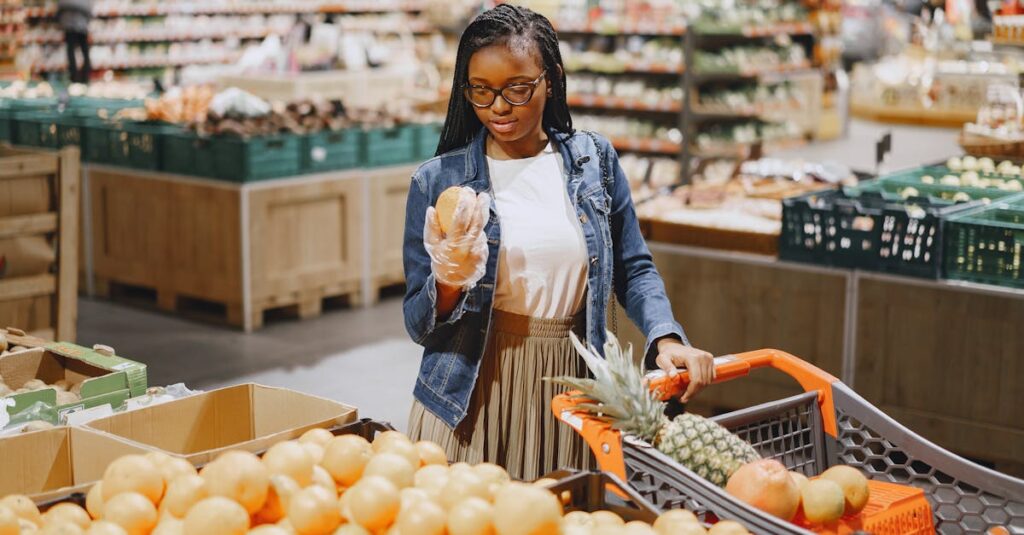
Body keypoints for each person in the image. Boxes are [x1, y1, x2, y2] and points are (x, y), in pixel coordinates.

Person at [401, 3, 715, 481]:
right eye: (480, 91)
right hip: (471, 390)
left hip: (570, 386)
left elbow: (633, 267)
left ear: (551, 79)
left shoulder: (596, 162)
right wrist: (448, 279)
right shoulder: (438, 181)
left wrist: (666, 336)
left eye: (517, 88)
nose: (498, 107)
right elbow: (418, 323)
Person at [57, 0, 93, 84]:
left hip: (81, 27)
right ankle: (74, 78)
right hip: (70, 27)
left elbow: (88, 9)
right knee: (71, 52)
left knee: (84, 52)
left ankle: (84, 77)